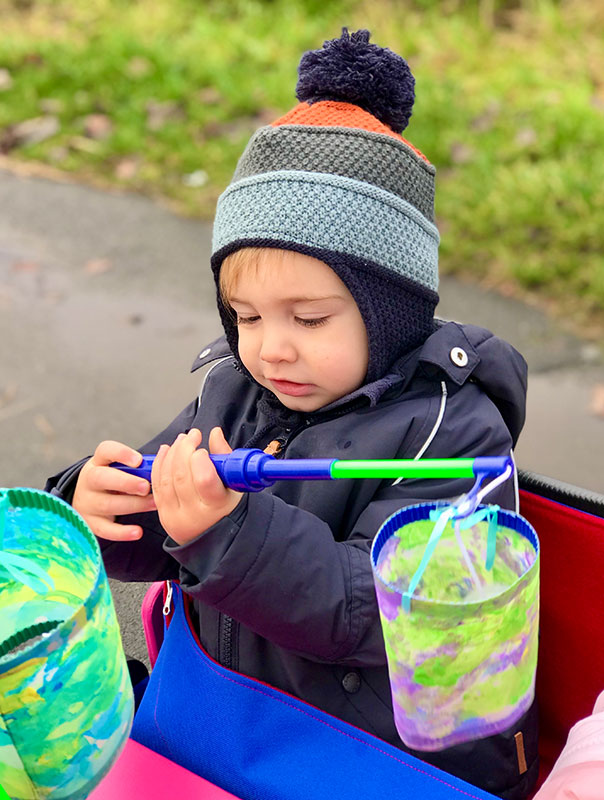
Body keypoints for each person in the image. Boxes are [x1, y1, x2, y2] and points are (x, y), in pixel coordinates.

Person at [46, 29, 534, 799]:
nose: (270, 350)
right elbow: (172, 527)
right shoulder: (233, 391)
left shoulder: (453, 432)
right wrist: (99, 505)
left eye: (308, 320)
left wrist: (222, 529)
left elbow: (370, 615)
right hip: (220, 725)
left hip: (368, 761)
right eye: (244, 314)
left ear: (392, 312)